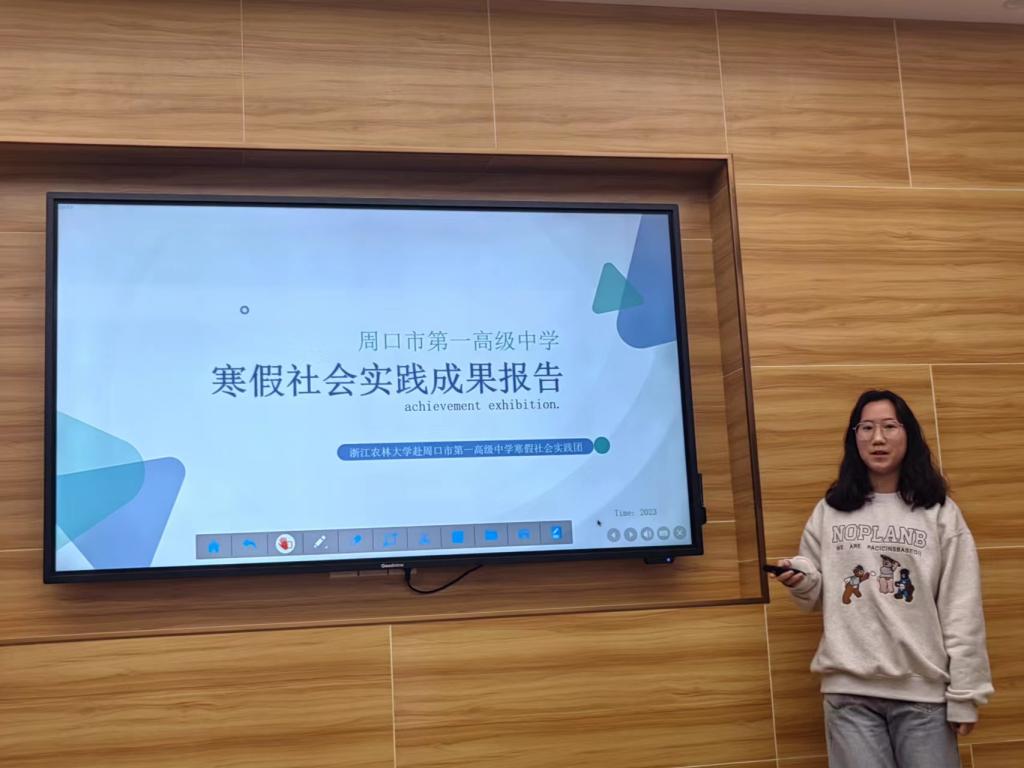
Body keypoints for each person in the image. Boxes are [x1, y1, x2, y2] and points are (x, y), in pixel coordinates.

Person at [772, 389, 993, 768]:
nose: (877, 438)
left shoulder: (939, 512)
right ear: (854, 437)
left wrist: (966, 692)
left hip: (922, 694)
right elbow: (816, 595)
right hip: (848, 694)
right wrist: (802, 580)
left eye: (889, 426)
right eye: (867, 428)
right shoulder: (830, 510)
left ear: (909, 435)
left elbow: (962, 606)